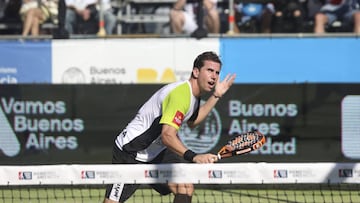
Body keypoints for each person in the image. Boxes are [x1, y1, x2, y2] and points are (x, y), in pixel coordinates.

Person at [103, 51, 236, 203]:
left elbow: (194, 121)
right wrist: (195, 156)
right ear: (196, 72)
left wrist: (216, 95)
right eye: (210, 70)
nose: (214, 76)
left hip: (156, 152)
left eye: (217, 72)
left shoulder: (194, 96)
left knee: (184, 187)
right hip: (131, 151)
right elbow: (167, 136)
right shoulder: (181, 95)